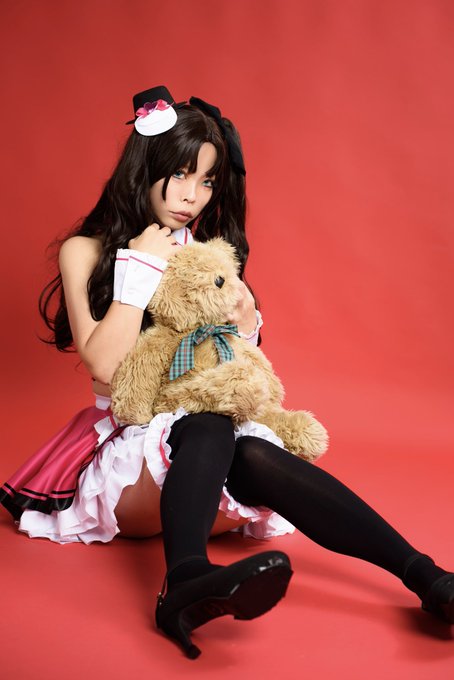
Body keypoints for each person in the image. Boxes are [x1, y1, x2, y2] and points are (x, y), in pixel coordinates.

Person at [1, 85, 453, 659]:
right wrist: (140, 268)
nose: (192, 196)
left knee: (250, 448)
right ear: (146, 167)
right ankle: (184, 578)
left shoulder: (207, 253)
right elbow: (107, 365)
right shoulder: (85, 251)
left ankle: (428, 579)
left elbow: (229, 366)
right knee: (209, 422)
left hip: (200, 466)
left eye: (208, 181)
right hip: (128, 463)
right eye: (180, 174)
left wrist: (244, 322)